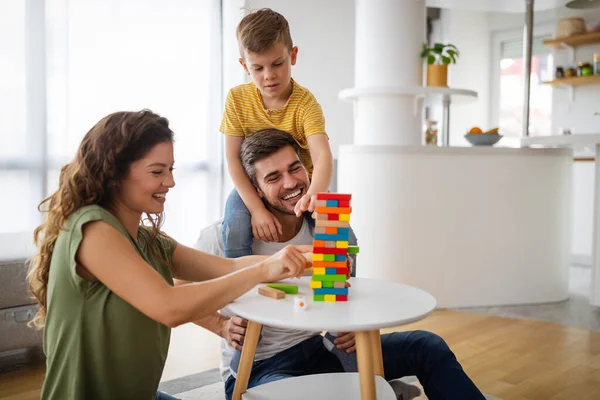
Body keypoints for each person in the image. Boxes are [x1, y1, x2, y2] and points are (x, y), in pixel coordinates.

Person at [27, 110, 312, 400]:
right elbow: (169, 307)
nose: (170, 182)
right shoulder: (92, 229)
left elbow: (227, 266)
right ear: (114, 173)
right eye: (157, 171)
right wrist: (262, 272)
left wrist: (304, 258)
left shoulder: (146, 238)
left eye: (171, 170)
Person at [194, 130, 487, 400]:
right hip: (261, 367)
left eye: (294, 168)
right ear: (255, 189)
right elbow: (175, 287)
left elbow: (345, 288)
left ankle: (371, 385)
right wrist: (220, 324)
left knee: (427, 346)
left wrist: (349, 323)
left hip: (319, 349)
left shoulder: (323, 225)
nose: (291, 182)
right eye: (273, 177)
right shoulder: (219, 238)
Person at [220, 8, 356, 258]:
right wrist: (257, 209)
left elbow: (322, 156)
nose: (269, 75)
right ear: (245, 67)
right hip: (254, 189)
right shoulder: (237, 99)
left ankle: (345, 291)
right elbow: (232, 158)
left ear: (293, 56)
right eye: (258, 68)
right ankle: (242, 291)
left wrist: (315, 194)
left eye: (277, 64)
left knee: (346, 237)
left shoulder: (306, 103)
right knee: (236, 229)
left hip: (306, 188)